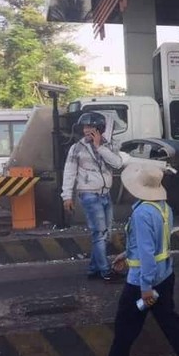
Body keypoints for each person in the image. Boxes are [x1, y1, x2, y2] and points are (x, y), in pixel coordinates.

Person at [86, 162, 179, 356]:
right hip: (165, 277)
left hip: (143, 284)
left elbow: (148, 254)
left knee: (125, 327)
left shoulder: (142, 213)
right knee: (170, 322)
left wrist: (146, 288)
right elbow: (154, 246)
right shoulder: (163, 208)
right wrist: (126, 255)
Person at [61, 111, 122, 281]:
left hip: (105, 194)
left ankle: (94, 269)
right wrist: (67, 196)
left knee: (105, 233)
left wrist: (99, 147)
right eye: (85, 127)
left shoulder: (109, 145)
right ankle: (105, 270)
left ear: (100, 129)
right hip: (89, 194)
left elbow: (117, 163)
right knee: (99, 233)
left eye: (91, 127)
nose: (87, 130)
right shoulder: (76, 148)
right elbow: (69, 173)